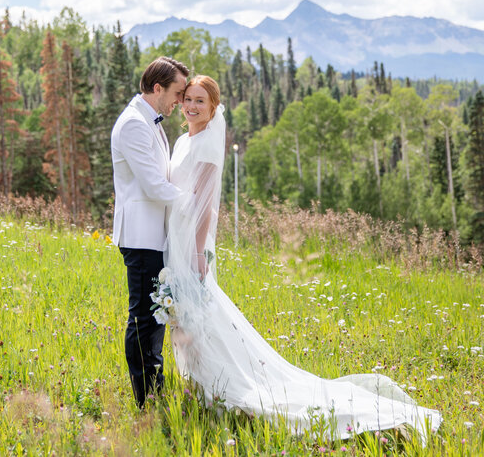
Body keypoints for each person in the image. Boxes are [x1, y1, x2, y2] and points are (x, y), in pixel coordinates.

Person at [160, 75, 442, 445]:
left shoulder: (209, 145)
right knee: (188, 317)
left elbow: (207, 208)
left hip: (191, 244)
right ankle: (203, 387)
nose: (192, 106)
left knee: (201, 317)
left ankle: (224, 390)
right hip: (174, 238)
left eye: (200, 101)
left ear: (213, 108)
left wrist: (198, 253)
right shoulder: (184, 140)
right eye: (188, 100)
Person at [111, 56, 189, 408]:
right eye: (177, 92)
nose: (180, 100)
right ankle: (146, 399)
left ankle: (154, 390)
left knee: (156, 316)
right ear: (157, 88)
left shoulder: (150, 120)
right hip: (142, 237)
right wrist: (196, 202)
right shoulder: (132, 124)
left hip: (156, 236)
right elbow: (155, 186)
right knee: (144, 318)